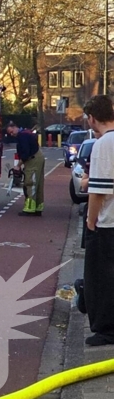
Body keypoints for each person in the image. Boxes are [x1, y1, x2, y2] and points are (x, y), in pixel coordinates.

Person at [83, 95, 114, 345]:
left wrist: (91, 221)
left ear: (93, 118)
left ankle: (106, 329)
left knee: (102, 278)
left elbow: (98, 192)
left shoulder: (103, 145)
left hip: (109, 223)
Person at [6, 120, 45, 216]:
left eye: (11, 132)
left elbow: (25, 153)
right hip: (38, 157)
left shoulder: (22, 136)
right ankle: (38, 207)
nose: (12, 134)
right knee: (38, 183)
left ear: (15, 127)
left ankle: (30, 208)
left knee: (30, 182)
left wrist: (18, 165)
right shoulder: (26, 133)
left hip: (33, 159)